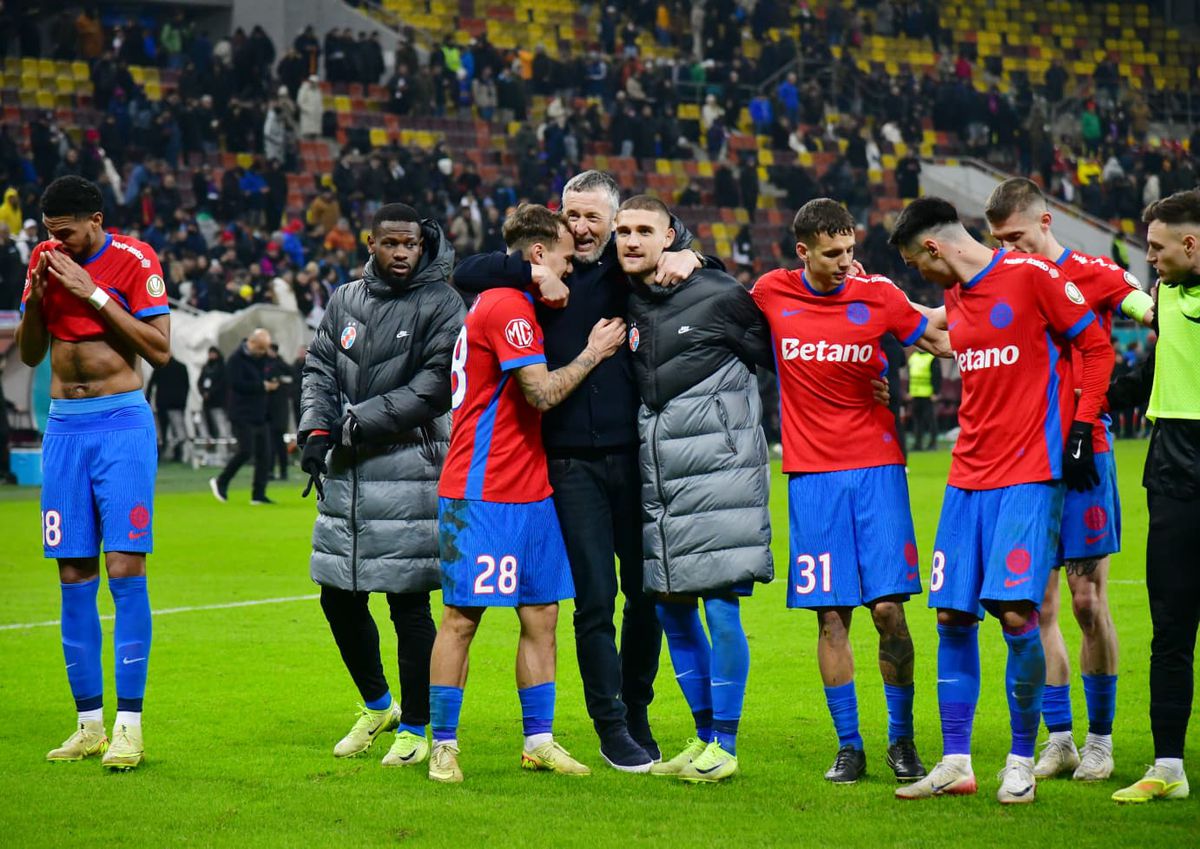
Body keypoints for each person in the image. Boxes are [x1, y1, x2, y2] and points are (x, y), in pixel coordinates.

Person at [452, 170, 715, 771]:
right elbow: (465, 270)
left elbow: (707, 266)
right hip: (569, 463)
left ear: (616, 220)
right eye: (573, 215)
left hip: (636, 458)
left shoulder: (630, 270)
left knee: (647, 594)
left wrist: (690, 255)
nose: (582, 227)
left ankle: (638, 708)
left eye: (594, 217)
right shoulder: (547, 272)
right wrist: (531, 272)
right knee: (595, 599)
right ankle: (610, 724)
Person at [888, 197, 1113, 804]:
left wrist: (1082, 427)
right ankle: (956, 762)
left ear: (933, 247)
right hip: (966, 475)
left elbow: (1096, 348)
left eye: (914, 262)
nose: (918, 273)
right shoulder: (957, 297)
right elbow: (934, 331)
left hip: (1029, 474)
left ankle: (1019, 760)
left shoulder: (1033, 275)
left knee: (1016, 615)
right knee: (951, 617)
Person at [752, 199, 949, 784]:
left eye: (850, 250)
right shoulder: (771, 292)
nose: (844, 262)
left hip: (877, 470)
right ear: (803, 251)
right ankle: (849, 746)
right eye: (832, 253)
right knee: (831, 616)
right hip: (812, 477)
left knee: (888, 610)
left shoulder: (878, 294)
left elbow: (939, 339)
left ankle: (902, 741)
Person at [428, 204, 626, 782]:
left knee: (541, 613)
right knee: (462, 618)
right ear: (539, 255)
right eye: (563, 258)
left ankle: (538, 741)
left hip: (530, 486)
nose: (570, 267)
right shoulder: (509, 307)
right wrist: (593, 352)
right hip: (482, 487)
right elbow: (539, 393)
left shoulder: (509, 297)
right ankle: (444, 745)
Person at [983, 177, 1156, 783]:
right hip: (1027, 456)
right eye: (999, 240)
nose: (1009, 248)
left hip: (1087, 452)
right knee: (1039, 605)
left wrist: (1133, 377)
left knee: (1087, 601)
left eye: (1016, 236)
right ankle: (1059, 739)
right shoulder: (1005, 278)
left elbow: (1149, 310)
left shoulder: (1096, 273)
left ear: (1045, 221)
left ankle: (1101, 740)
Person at [298, 203, 464, 766]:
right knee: (337, 596)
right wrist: (314, 430)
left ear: (422, 245)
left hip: (412, 469)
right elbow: (320, 368)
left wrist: (350, 424)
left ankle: (415, 728)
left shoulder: (442, 302)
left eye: (409, 245)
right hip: (348, 472)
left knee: (408, 604)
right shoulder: (345, 298)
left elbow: (436, 385)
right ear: (370, 243)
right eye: (390, 243)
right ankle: (378, 706)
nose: (400, 253)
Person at [14, 175, 171, 770]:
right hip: (64, 428)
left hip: (120, 424)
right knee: (72, 572)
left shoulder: (135, 259)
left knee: (124, 568)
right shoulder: (45, 258)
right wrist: (36, 298)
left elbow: (159, 350)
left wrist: (93, 293)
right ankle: (88, 725)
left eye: (69, 234)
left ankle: (129, 728)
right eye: (51, 233)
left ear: (96, 220)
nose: (60, 244)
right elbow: (31, 352)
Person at [616, 195, 774, 783]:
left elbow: (787, 354)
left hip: (720, 474)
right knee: (671, 606)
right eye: (623, 231)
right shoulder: (627, 296)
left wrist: (703, 261)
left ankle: (726, 745)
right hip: (661, 479)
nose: (631, 240)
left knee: (721, 603)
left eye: (644, 230)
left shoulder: (719, 293)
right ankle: (705, 736)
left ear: (669, 236)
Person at [1109, 189, 1200, 804]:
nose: (1151, 258)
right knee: (1170, 624)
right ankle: (1168, 765)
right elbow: (1152, 368)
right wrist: (1094, 400)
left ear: (1191, 244)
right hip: (1172, 470)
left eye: (1158, 248)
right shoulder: (1165, 294)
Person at [210, 328, 276, 504]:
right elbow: (236, 384)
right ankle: (221, 481)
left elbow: (270, 372)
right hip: (241, 413)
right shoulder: (235, 359)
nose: (263, 352)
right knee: (246, 451)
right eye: (261, 348)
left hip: (260, 413)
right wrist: (262, 386)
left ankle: (258, 494)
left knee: (265, 454)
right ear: (251, 343)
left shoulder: (262, 358)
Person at [145, 355, 190, 463]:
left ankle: (160, 454)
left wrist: (147, 400)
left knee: (162, 432)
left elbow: (151, 384)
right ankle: (179, 454)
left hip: (162, 403)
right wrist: (183, 402)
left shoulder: (160, 367)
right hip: (176, 405)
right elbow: (186, 386)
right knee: (179, 432)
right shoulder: (181, 367)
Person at [264, 343, 293, 480]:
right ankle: (270, 471)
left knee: (279, 443)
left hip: (279, 411)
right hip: (268, 410)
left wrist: (279, 382)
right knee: (270, 443)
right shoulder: (265, 364)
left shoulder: (281, 365)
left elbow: (292, 377)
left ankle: (283, 471)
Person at [907, 347, 941, 451]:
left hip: (928, 394)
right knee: (917, 421)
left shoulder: (932, 358)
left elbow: (937, 376)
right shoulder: (913, 357)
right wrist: (908, 390)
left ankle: (933, 443)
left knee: (930, 421)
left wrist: (935, 392)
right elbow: (910, 376)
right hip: (915, 394)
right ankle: (918, 444)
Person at [198, 345, 231, 439]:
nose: (211, 355)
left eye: (213, 353)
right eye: (210, 353)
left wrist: (211, 392)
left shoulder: (222, 367)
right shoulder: (206, 367)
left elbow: (222, 383)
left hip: (218, 400)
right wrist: (203, 392)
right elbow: (200, 382)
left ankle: (223, 440)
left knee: (220, 422)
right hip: (207, 401)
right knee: (208, 423)